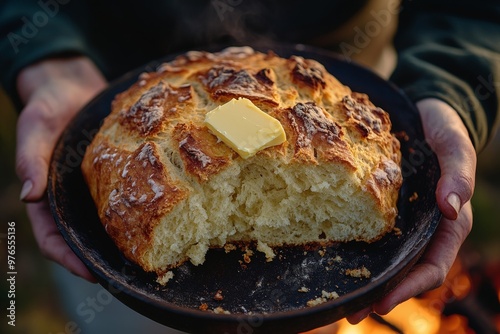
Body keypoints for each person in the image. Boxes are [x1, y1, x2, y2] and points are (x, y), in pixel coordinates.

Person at [1, 0, 498, 328]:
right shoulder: (127, 167)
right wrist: (45, 54)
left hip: (335, 111)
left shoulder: (357, 161)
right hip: (107, 102)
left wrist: (449, 84)